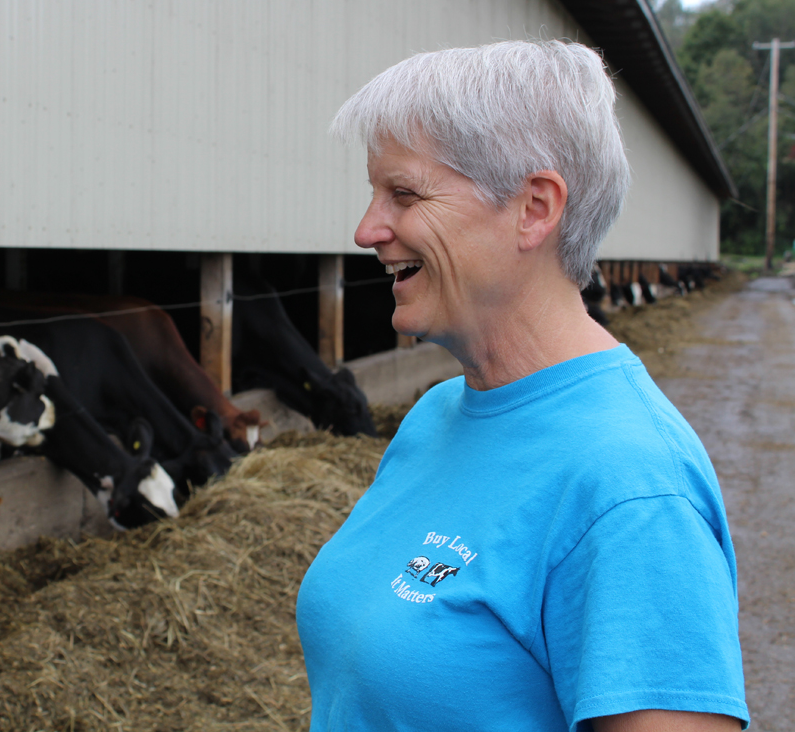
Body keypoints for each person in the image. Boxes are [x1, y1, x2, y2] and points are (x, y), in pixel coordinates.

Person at [295, 40, 749, 732]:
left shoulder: (631, 489)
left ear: (534, 208)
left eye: (405, 193)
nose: (367, 230)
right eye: (373, 193)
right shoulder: (437, 415)